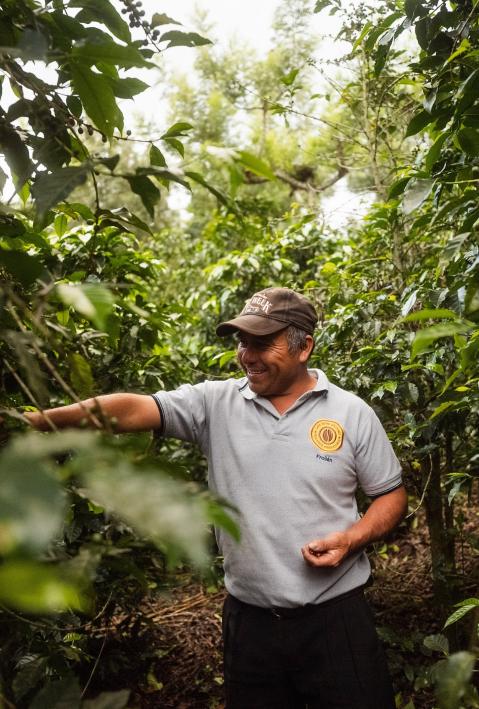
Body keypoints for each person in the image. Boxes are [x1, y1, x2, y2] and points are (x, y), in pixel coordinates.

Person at [24, 287, 407, 709]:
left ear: (305, 347)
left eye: (263, 343)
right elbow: (132, 409)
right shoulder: (216, 403)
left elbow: (391, 495)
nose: (247, 355)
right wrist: (35, 422)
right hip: (251, 627)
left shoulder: (351, 413)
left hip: (337, 620)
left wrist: (351, 539)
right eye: (243, 342)